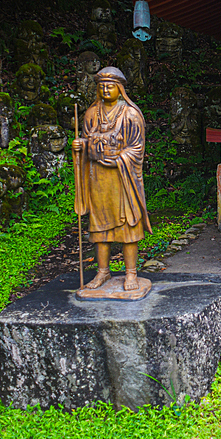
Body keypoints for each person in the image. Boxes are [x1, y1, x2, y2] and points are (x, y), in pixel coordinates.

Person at [72, 66, 151, 291]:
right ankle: (102, 272)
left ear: (120, 89)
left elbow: (137, 148)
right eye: (102, 86)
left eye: (110, 86)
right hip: (98, 178)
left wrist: (119, 159)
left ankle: (131, 273)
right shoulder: (91, 113)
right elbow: (87, 140)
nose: (106, 90)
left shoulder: (130, 115)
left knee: (128, 227)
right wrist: (81, 146)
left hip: (122, 178)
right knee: (100, 228)